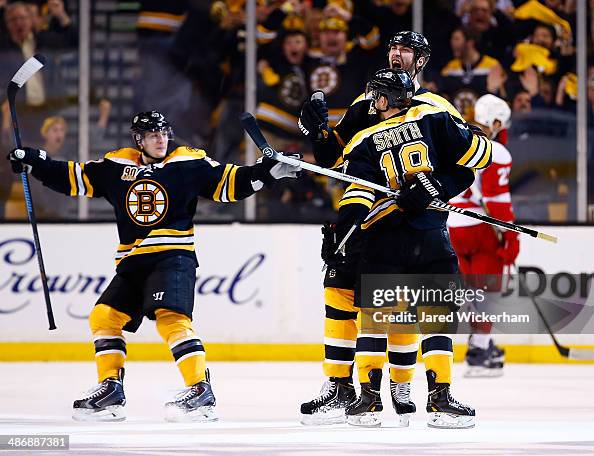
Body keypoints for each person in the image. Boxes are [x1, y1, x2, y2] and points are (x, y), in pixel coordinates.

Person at [7, 110, 301, 422]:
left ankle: (200, 390)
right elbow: (73, 178)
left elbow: (230, 183)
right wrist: (35, 162)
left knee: (170, 318)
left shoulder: (188, 163)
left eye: (163, 133)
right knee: (104, 316)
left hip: (172, 257)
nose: (160, 139)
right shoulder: (117, 165)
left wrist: (267, 173)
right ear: (139, 139)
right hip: (133, 262)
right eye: (152, 135)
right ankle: (111, 390)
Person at [298, 31, 480, 427]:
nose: (398, 53)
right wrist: (317, 132)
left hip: (407, 223)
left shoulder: (434, 106)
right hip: (367, 222)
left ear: (421, 60)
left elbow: (469, 159)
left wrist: (433, 186)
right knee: (344, 298)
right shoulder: (367, 102)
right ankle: (345, 390)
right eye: (394, 47)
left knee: (393, 310)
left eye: (407, 49)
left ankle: (393, 390)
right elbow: (332, 158)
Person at [337, 68, 488, 428]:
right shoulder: (433, 116)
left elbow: (357, 194)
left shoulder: (362, 140)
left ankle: (369, 401)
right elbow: (473, 161)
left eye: (376, 96)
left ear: (386, 98)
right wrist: (436, 185)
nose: (372, 102)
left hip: (383, 239)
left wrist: (345, 230)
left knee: (376, 322)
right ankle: (440, 400)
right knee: (438, 318)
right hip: (431, 233)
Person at [447, 94, 518, 377]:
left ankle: (482, 343)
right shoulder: (496, 151)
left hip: (452, 225)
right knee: (489, 292)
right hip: (481, 229)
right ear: (496, 121)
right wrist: (511, 237)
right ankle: (479, 350)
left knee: (473, 293)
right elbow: (496, 199)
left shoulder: (454, 140)